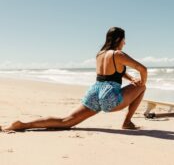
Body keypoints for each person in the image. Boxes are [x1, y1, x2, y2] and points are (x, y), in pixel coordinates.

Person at [1, 27, 147, 132]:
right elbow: (143, 69)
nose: (125, 43)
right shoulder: (118, 54)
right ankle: (127, 122)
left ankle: (22, 124)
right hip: (109, 96)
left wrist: (131, 78)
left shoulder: (100, 54)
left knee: (66, 121)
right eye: (124, 40)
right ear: (119, 39)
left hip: (94, 92)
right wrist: (141, 82)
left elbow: (113, 73)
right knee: (143, 88)